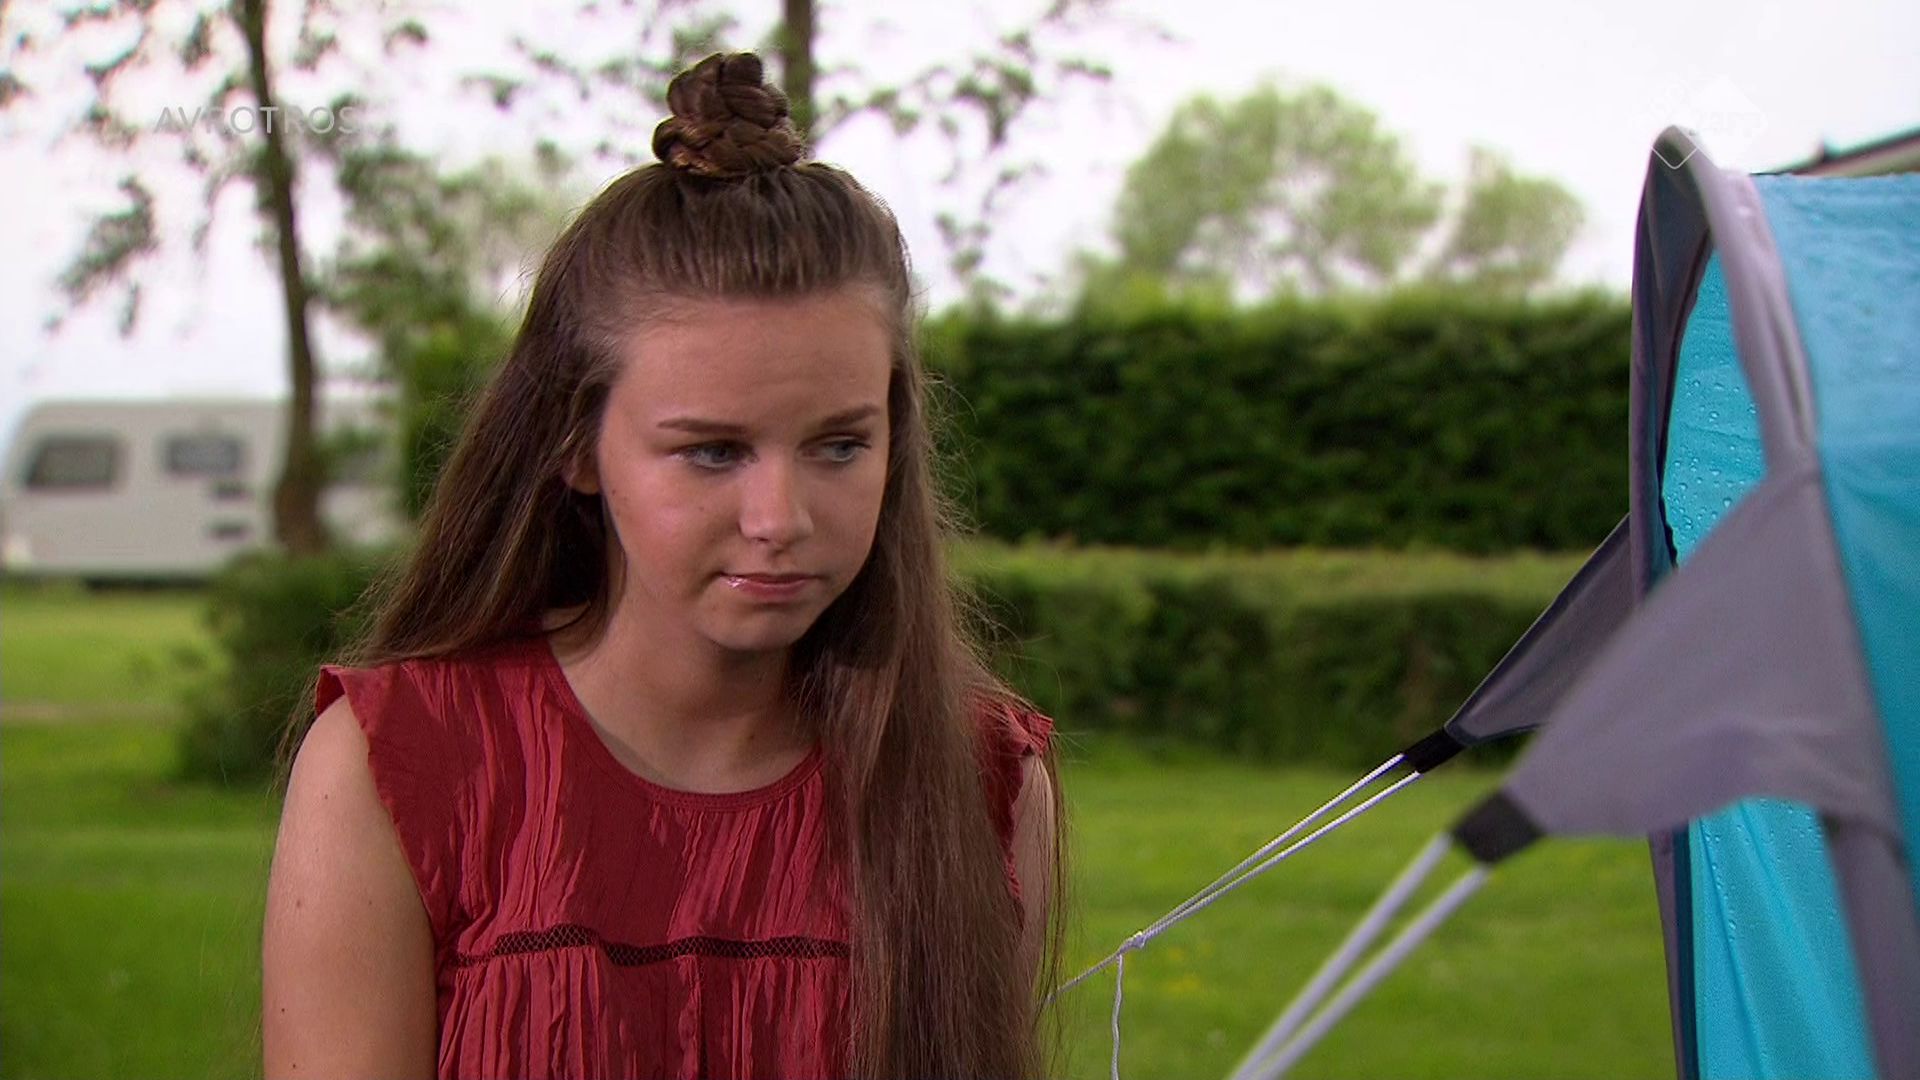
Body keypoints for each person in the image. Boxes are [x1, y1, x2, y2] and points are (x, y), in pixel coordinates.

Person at [260, 51, 1064, 1080]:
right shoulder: (400, 767)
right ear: (575, 445)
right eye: (712, 452)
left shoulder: (979, 780)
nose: (779, 519)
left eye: (838, 445)